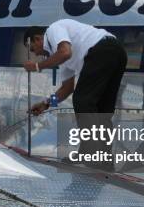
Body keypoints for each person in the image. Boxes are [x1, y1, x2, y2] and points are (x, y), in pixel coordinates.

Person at [23, 19, 127, 166]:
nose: (36, 54)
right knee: (102, 109)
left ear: (38, 38)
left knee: (83, 101)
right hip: (117, 53)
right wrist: (46, 104)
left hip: (102, 50)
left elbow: (65, 52)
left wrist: (37, 66)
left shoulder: (53, 29)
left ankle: (90, 154)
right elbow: (67, 89)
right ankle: (104, 160)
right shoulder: (59, 55)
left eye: (32, 49)